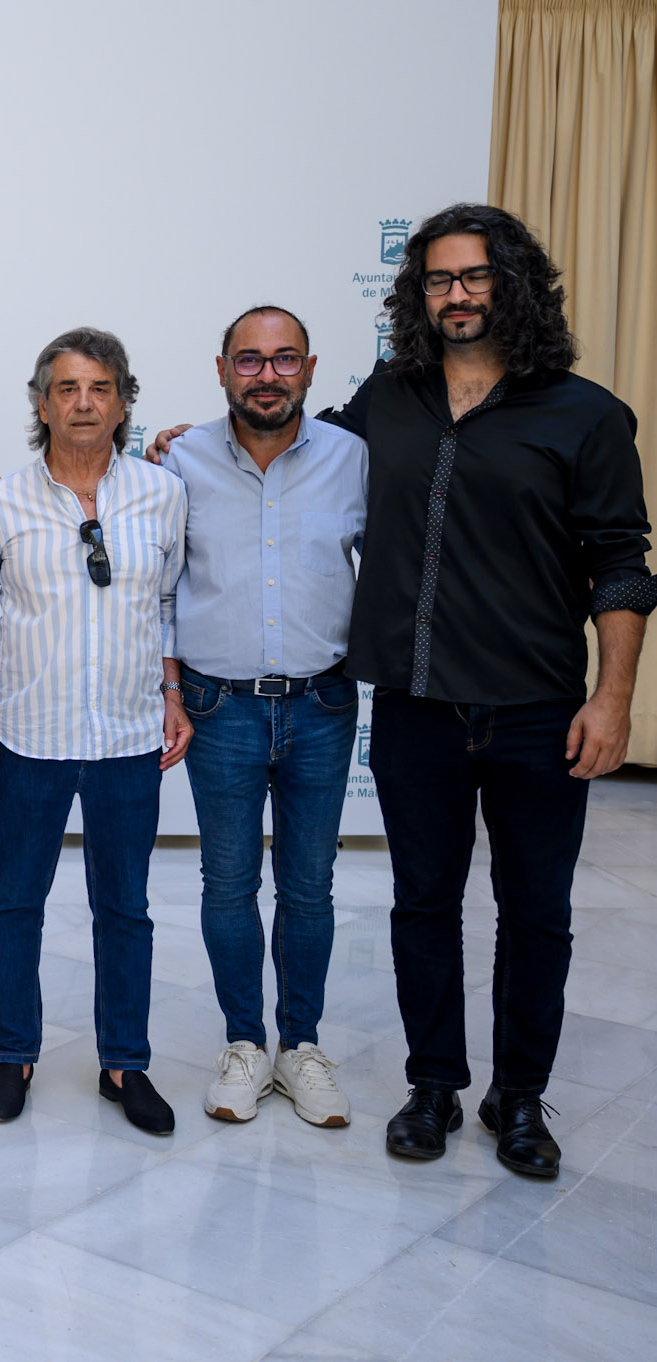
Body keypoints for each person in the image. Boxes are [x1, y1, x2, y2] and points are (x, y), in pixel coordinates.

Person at [327, 206, 652, 1176]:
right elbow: (296, 471)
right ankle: (431, 1085)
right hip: (415, 706)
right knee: (421, 904)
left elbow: (621, 566)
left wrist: (612, 698)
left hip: (535, 709)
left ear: (513, 284)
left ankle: (517, 1097)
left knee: (534, 912)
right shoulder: (386, 397)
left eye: (473, 277)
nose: (455, 295)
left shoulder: (583, 413)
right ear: (414, 293)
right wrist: (190, 448)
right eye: (436, 280)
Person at [0, 327, 190, 1136]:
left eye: (100, 388)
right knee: (15, 903)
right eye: (67, 388)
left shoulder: (162, 495)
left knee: (124, 908)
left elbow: (169, 603)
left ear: (124, 400)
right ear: (41, 403)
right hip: (29, 735)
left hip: (129, 737)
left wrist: (171, 691)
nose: (84, 402)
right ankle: (11, 1053)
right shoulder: (4, 503)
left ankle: (123, 1062)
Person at [160, 307, 366, 1128]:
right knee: (228, 883)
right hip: (219, 706)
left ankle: (302, 1046)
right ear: (221, 371)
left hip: (322, 702)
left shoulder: (354, 460)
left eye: (284, 361)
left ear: (311, 370)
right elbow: (157, 584)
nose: (268, 375)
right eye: (250, 361)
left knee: (309, 889)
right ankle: (245, 1043)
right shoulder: (178, 459)